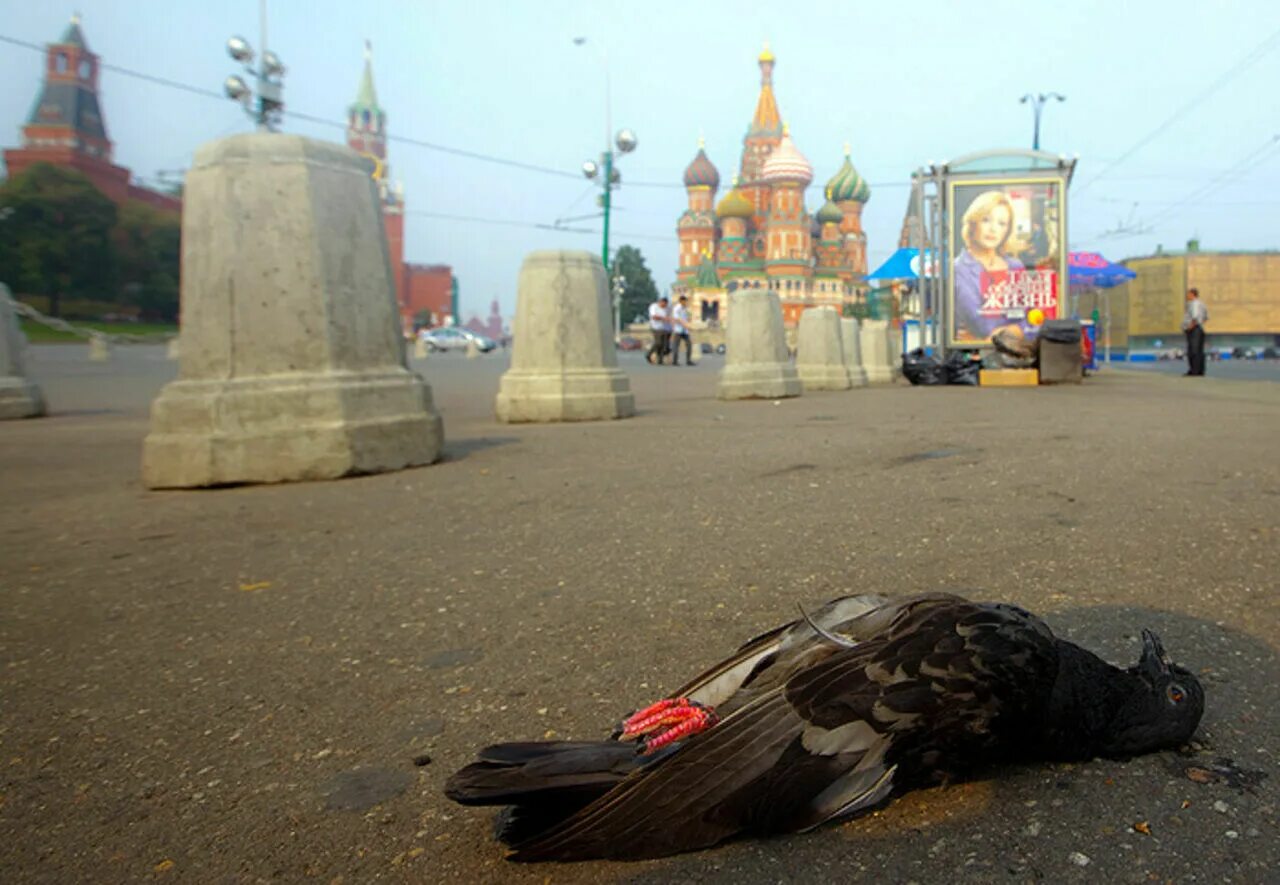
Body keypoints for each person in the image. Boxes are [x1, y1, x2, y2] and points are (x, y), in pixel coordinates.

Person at [952, 190, 1025, 343]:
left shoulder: (1015, 267)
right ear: (973, 223)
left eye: (1001, 223)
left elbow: (1032, 320)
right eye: (986, 220)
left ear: (1007, 230)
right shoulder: (958, 269)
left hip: (1016, 354)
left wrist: (1013, 330)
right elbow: (982, 325)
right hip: (975, 356)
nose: (993, 229)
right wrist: (1014, 329)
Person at [1181, 288, 1208, 376]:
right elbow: (1205, 317)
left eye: (1188, 294)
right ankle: (1200, 370)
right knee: (1199, 351)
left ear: (1193, 294)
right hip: (1199, 328)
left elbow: (1195, 317)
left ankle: (1194, 371)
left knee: (1193, 351)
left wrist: (1189, 327)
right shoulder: (1202, 304)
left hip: (1194, 329)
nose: (1187, 296)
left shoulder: (1194, 304)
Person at [646, 296, 671, 365]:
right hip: (655, 327)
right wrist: (664, 318)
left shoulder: (668, 308)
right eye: (663, 305)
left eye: (665, 305)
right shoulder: (654, 307)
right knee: (658, 343)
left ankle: (660, 359)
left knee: (664, 345)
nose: (664, 306)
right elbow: (654, 317)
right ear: (660, 302)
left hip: (665, 328)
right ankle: (649, 354)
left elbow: (669, 317)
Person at [670, 295, 693, 366]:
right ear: (680, 301)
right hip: (678, 330)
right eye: (684, 301)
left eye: (686, 301)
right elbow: (677, 319)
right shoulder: (677, 308)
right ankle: (674, 361)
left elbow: (687, 318)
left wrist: (688, 323)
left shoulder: (685, 308)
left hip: (685, 330)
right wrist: (685, 325)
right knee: (676, 346)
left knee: (689, 345)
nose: (685, 302)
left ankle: (688, 360)